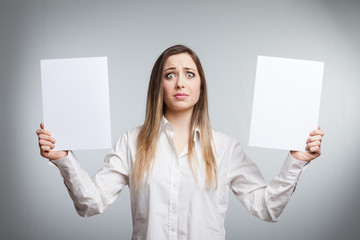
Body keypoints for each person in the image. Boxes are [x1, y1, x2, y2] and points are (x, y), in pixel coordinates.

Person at [36, 45, 324, 240]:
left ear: (201, 85)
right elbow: (91, 204)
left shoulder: (225, 148)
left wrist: (295, 162)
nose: (180, 83)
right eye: (169, 74)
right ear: (158, 86)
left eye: (189, 74)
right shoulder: (132, 142)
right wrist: (65, 159)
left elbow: (266, 208)